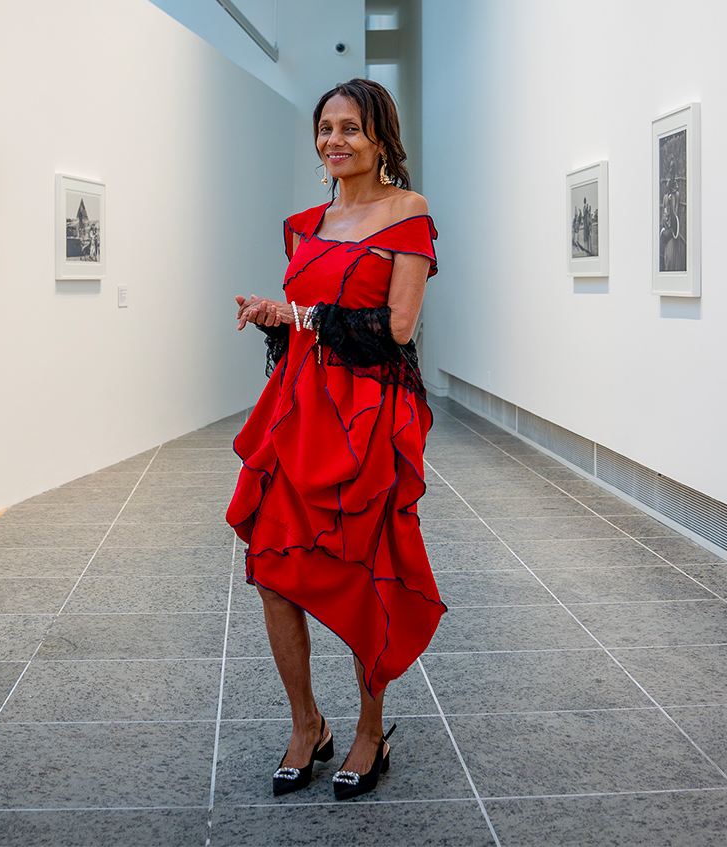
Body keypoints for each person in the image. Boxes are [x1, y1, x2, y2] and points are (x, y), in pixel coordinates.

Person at [229, 78, 444, 802]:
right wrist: (274, 314)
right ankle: (305, 723)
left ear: (380, 137)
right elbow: (307, 318)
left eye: (351, 128)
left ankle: (369, 729)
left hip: (370, 417)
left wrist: (305, 317)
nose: (334, 141)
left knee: (365, 569)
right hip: (301, 412)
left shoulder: (407, 214)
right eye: (325, 128)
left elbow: (398, 327)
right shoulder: (304, 224)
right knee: (271, 562)